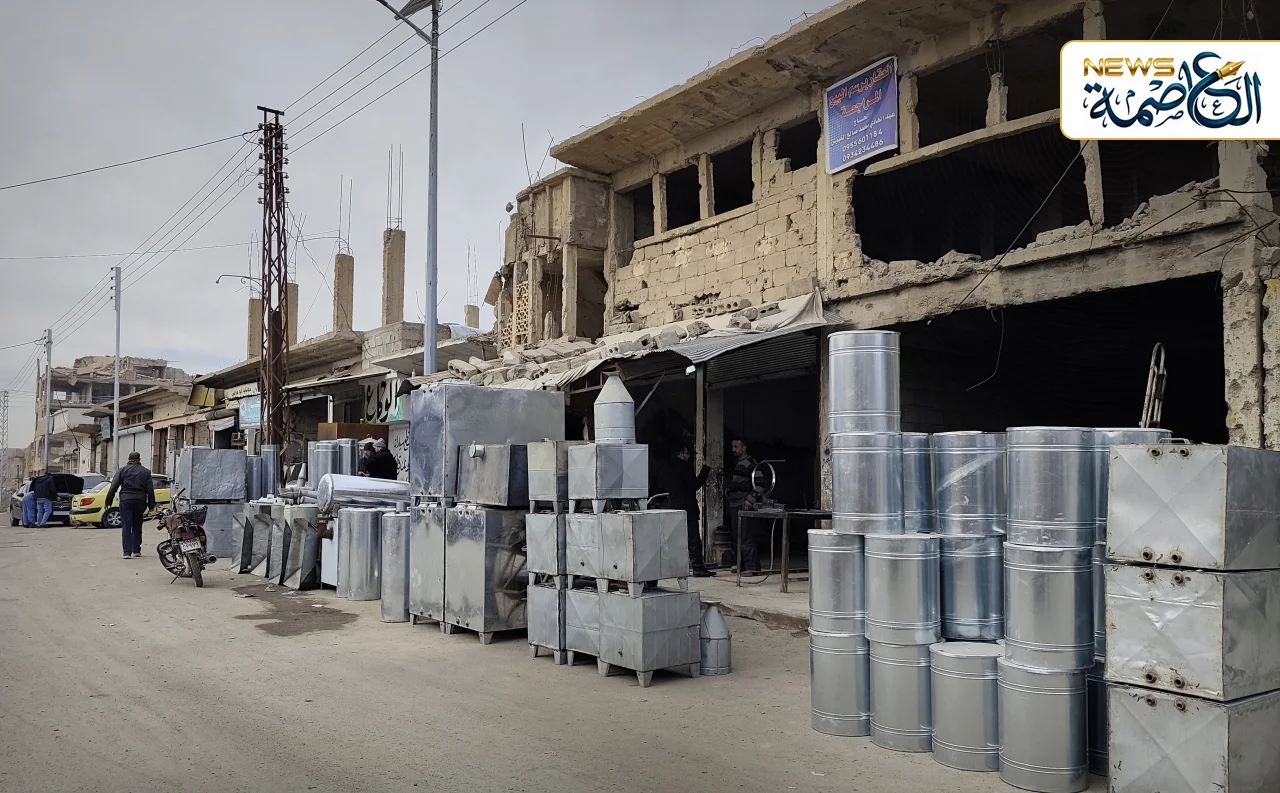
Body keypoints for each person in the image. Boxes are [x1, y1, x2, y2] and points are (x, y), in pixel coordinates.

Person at [658, 444, 713, 577]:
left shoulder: (666, 467)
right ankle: (698, 567)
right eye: (687, 453)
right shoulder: (684, 467)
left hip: (673, 507)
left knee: (675, 539)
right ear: (681, 453)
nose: (689, 456)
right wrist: (705, 471)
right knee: (693, 539)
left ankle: (674, 567)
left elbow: (661, 485)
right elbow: (694, 484)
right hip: (687, 507)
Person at [105, 451, 156, 559]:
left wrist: (108, 501)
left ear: (129, 459)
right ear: (139, 459)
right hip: (140, 500)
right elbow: (150, 490)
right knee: (137, 525)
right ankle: (136, 550)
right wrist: (151, 505)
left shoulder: (122, 470)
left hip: (126, 500)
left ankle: (127, 552)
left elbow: (113, 486)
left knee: (126, 525)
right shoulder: (146, 472)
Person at [727, 438, 760, 573]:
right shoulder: (739, 463)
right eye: (733, 446)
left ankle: (752, 567)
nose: (733, 450)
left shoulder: (750, 463)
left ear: (744, 448)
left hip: (743, 505)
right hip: (735, 504)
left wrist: (750, 499)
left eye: (736, 447)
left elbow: (760, 483)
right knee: (738, 536)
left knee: (746, 536)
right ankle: (742, 566)